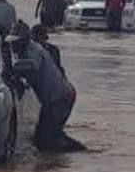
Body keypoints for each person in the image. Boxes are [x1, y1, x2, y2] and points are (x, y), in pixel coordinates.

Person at [8, 22, 85, 151]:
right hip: (57, 98)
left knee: (46, 140)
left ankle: (79, 154)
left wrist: (13, 68)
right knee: (43, 138)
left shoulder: (33, 51)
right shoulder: (28, 50)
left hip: (60, 99)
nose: (12, 45)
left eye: (15, 42)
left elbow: (33, 65)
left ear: (23, 41)